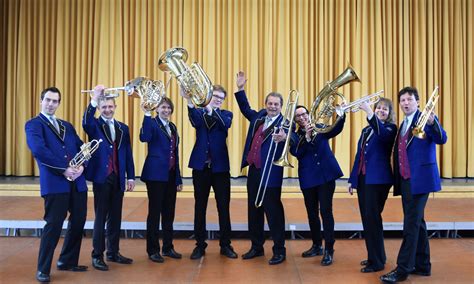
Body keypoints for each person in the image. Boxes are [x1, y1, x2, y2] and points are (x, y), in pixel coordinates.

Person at [380, 87, 447, 283]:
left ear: (418, 102)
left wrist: (434, 122)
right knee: (418, 223)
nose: (405, 103)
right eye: (402, 100)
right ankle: (423, 265)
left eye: (409, 99)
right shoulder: (403, 124)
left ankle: (402, 269)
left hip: (422, 180)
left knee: (410, 225)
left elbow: (441, 138)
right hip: (406, 180)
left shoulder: (425, 119)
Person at [25, 87, 88, 283]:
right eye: (48, 100)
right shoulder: (34, 125)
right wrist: (64, 169)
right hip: (55, 182)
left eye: (55, 101)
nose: (51, 104)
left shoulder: (66, 125)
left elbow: (81, 147)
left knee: (78, 222)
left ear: (59, 103)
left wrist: (82, 166)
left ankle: (67, 261)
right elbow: (39, 150)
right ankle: (43, 269)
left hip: (77, 182)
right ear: (41, 101)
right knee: (53, 225)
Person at [234, 71, 291, 265]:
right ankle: (257, 247)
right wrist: (240, 89)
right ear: (266, 104)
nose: (272, 106)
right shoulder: (259, 117)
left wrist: (286, 138)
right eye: (270, 103)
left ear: (281, 106)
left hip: (272, 174)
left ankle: (279, 250)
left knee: (273, 213)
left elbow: (295, 139)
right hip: (255, 171)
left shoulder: (285, 123)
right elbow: (245, 108)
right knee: (254, 210)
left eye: (276, 104)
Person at [82, 86, 136, 271]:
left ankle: (113, 252)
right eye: (103, 107)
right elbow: (85, 122)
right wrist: (93, 100)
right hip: (102, 177)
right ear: (99, 108)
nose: (107, 110)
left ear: (115, 106)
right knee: (100, 217)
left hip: (119, 177)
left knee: (116, 217)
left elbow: (128, 154)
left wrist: (131, 177)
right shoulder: (95, 125)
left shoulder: (123, 128)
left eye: (110, 106)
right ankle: (97, 255)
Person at [181, 85, 237, 259]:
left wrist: (209, 106)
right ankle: (200, 245)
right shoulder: (199, 113)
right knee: (200, 207)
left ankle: (226, 245)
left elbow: (224, 124)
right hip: (201, 167)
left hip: (220, 168)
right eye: (216, 97)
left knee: (223, 207)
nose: (219, 100)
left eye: (221, 98)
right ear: (209, 96)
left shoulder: (226, 114)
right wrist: (189, 99)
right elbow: (194, 120)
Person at [289, 105, 345, 266]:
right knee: (312, 213)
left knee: (326, 212)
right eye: (298, 116)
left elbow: (335, 130)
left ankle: (329, 249)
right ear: (295, 120)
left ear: (308, 114)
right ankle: (316, 245)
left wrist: (341, 116)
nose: (302, 117)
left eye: (303, 114)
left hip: (326, 175)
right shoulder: (293, 136)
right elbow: (297, 153)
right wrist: (306, 137)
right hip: (308, 178)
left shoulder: (320, 127)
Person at [347, 98, 397, 273]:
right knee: (368, 220)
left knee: (372, 219)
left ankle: (376, 262)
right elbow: (359, 155)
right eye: (378, 108)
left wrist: (369, 112)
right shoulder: (367, 129)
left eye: (385, 109)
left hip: (378, 181)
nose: (381, 111)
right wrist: (353, 180)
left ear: (389, 113)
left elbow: (382, 135)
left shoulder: (390, 129)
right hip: (364, 179)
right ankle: (375, 256)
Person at [139, 97, 183, 263]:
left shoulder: (172, 126)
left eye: (168, 108)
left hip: (170, 175)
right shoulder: (152, 123)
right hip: (155, 175)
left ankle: (168, 247)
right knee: (155, 213)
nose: (166, 110)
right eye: (163, 107)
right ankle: (152, 250)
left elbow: (175, 154)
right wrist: (146, 115)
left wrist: (178, 178)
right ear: (156, 109)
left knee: (169, 213)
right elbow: (144, 137)